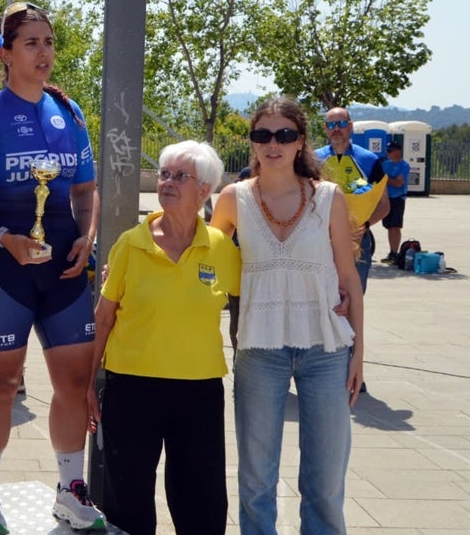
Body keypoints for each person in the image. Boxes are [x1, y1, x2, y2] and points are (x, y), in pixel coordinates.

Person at [0, 2, 104, 534]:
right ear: (5, 54)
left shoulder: (68, 113)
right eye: (31, 43)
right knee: (1, 382)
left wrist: (87, 237)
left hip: (63, 267)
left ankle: (70, 489)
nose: (43, 52)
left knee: (73, 381)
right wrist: (1, 238)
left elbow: (85, 189)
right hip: (1, 266)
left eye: (48, 42)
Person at [211, 97, 365, 535]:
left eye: (284, 134)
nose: (272, 144)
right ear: (252, 142)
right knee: (256, 478)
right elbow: (203, 258)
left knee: (325, 481)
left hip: (326, 350)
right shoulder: (233, 198)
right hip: (258, 349)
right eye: (262, 135)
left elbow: (349, 278)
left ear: (300, 141)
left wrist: (358, 353)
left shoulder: (328, 198)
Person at [86, 141, 238, 535]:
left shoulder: (222, 248)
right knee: (127, 499)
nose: (167, 182)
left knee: (201, 502)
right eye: (164, 174)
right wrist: (86, 383)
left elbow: (254, 300)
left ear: (204, 190)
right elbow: (103, 317)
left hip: (200, 390)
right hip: (132, 387)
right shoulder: (130, 243)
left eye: (179, 176)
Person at [315, 106, 388, 292]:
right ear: (325, 128)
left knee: (354, 295)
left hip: (358, 240)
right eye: (331, 124)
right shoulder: (313, 160)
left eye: (341, 123)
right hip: (320, 239)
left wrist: (365, 225)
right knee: (321, 297)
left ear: (350, 126)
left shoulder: (370, 160)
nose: (336, 129)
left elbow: (384, 205)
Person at [379, 140, 411, 264]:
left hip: (398, 199)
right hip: (386, 198)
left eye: (391, 151)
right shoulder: (385, 164)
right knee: (389, 227)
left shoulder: (404, 165)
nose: (390, 153)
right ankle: (392, 252)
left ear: (398, 151)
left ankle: (395, 252)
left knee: (395, 227)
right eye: (388, 151)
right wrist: (388, 179)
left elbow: (398, 183)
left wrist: (385, 178)